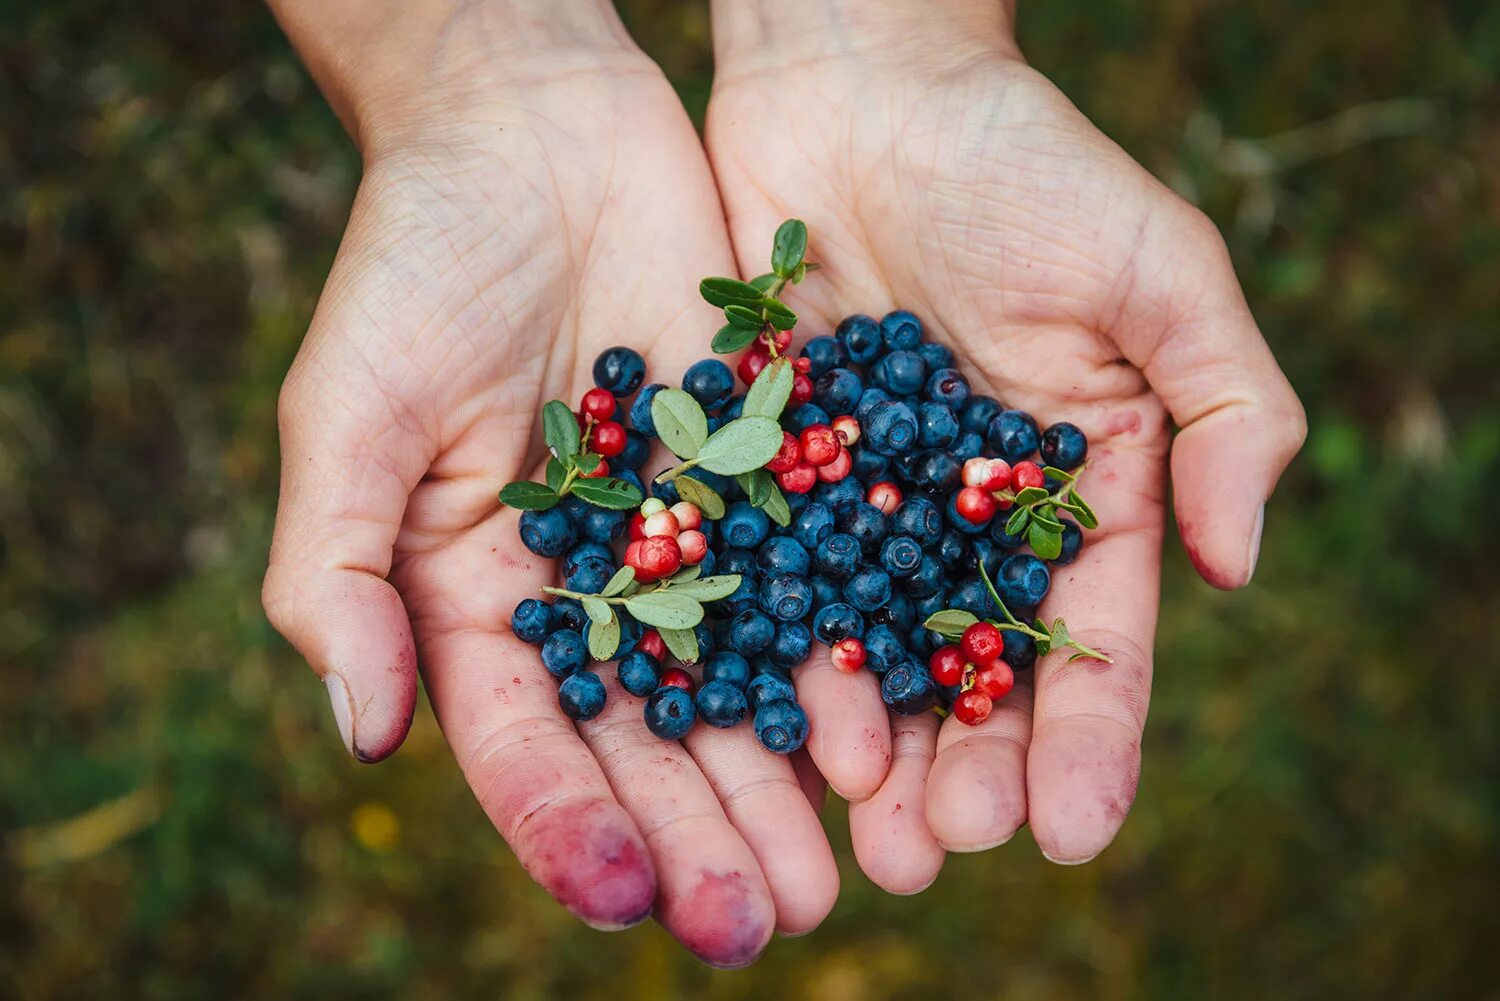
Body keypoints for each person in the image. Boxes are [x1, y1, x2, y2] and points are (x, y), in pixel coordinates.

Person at [261, 0, 1305, 968]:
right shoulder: (685, 501)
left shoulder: (904, 485)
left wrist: (889, 39)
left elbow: (863, 533)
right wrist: (467, 76)